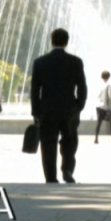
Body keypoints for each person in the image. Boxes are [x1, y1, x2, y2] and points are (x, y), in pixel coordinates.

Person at [29, 28, 87, 183]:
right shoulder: (75, 62)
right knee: (70, 140)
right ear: (67, 42)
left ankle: (50, 176)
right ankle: (67, 169)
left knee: (48, 142)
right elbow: (82, 86)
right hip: (69, 109)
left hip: (47, 109)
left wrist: (36, 111)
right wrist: (79, 106)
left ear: (51, 41)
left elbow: (35, 89)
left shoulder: (40, 62)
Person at [94, 71, 111, 143]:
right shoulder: (109, 85)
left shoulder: (98, 84)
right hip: (107, 106)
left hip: (98, 105)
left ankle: (96, 138)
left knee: (99, 122)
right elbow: (110, 96)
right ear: (109, 76)